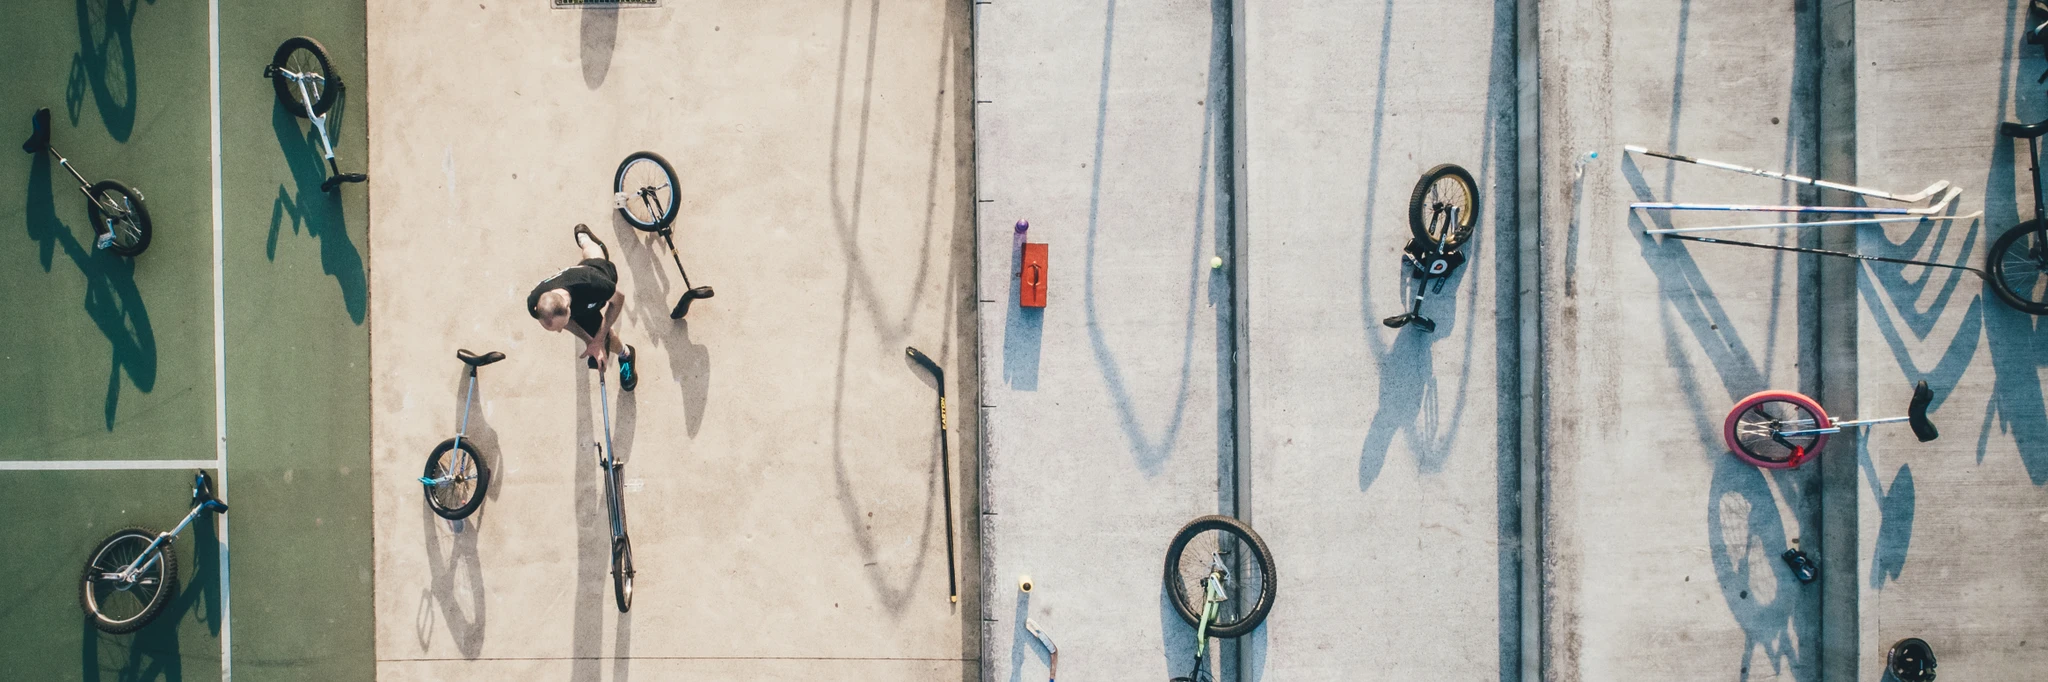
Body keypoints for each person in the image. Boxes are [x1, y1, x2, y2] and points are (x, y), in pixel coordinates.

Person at [529, 224, 637, 390]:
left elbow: (618, 299)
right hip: (581, 302)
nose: (559, 330)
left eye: (561, 326)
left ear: (567, 306)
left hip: (596, 273)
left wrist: (599, 339)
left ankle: (585, 239)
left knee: (593, 257)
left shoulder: (593, 283)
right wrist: (590, 341)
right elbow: (567, 323)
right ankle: (623, 352)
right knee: (606, 334)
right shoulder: (535, 304)